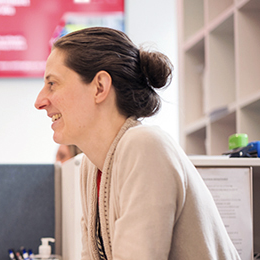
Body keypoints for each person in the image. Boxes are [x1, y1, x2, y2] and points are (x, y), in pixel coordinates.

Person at [34, 27, 240, 259]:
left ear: (100, 87)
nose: (39, 101)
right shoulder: (91, 168)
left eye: (52, 83)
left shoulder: (144, 146)